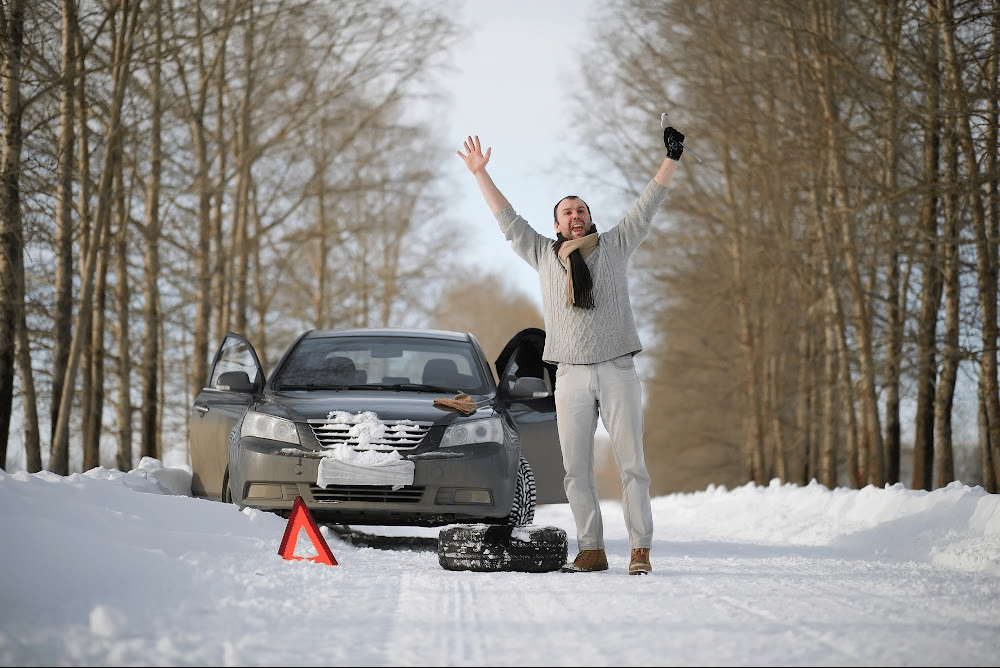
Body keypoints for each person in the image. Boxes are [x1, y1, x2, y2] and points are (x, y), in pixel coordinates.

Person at [457, 124, 686, 575]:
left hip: (617, 369)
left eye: (581, 210)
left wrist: (671, 159)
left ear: (590, 219)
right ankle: (591, 549)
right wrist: (480, 174)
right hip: (571, 376)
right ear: (557, 225)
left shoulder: (615, 245)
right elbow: (508, 221)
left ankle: (640, 549)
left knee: (632, 466)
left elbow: (647, 206)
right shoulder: (543, 255)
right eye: (567, 212)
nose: (575, 215)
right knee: (575, 471)